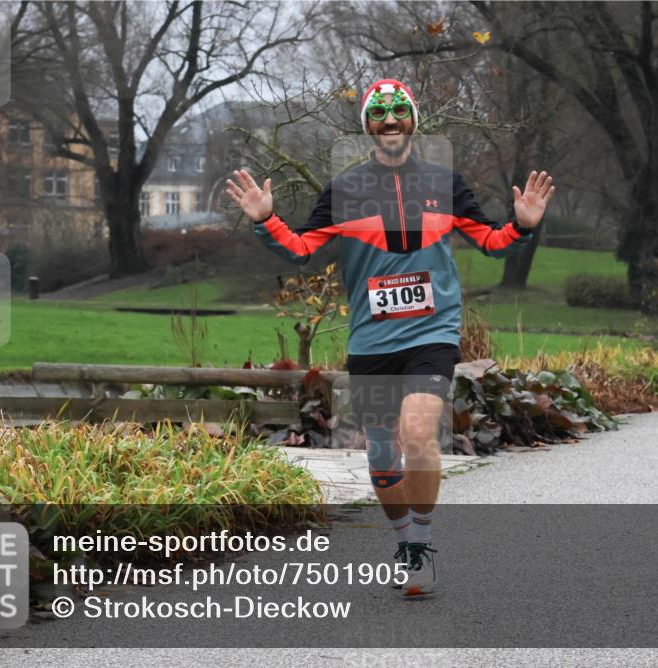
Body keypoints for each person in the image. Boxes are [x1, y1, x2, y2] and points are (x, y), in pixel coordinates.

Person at [227, 78, 554, 597]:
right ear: (369, 126)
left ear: (413, 120)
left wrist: (522, 226)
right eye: (379, 112)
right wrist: (267, 221)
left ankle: (421, 546)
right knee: (381, 452)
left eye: (400, 109)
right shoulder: (344, 191)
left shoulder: (445, 184)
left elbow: (492, 243)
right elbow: (302, 250)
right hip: (372, 341)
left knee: (419, 434)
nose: (391, 118)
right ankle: (403, 539)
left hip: (432, 331)